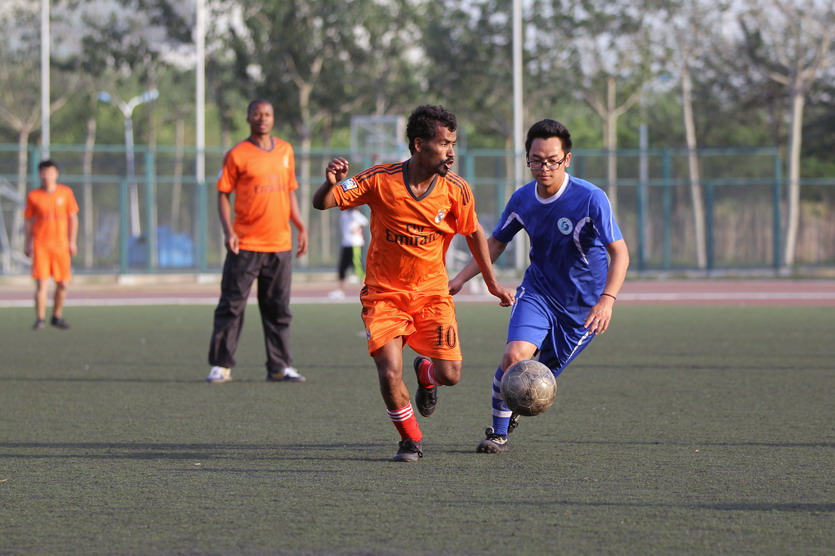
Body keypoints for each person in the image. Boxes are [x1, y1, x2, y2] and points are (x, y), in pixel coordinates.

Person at [313, 104, 514, 462]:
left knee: (450, 375)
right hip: (384, 296)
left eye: (453, 144)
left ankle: (426, 374)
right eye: (444, 143)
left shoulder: (456, 189)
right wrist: (330, 181)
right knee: (389, 372)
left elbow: (474, 233)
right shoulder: (380, 178)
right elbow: (324, 202)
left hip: (432, 295)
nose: (451, 152)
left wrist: (491, 282)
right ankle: (410, 440)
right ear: (420, 144)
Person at [449, 119, 630, 453]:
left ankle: (514, 409)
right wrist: (459, 279)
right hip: (538, 293)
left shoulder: (590, 198)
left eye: (552, 161)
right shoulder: (522, 200)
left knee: (539, 376)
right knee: (514, 357)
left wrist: (607, 299)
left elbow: (619, 252)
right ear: (527, 159)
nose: (544, 168)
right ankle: (498, 434)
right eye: (536, 160)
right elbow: (495, 243)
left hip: (582, 309)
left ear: (567, 159)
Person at [206, 99, 309, 384]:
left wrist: (301, 225)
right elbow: (223, 194)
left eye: (267, 114)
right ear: (248, 118)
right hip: (245, 244)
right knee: (231, 306)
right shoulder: (237, 154)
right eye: (257, 114)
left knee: (279, 308)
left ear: (273, 119)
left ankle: (279, 366)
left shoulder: (286, 151)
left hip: (280, 244)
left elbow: (289, 192)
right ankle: (221, 365)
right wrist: (229, 231)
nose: (262, 118)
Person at [23, 160, 79, 330]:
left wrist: (72, 241)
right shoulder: (34, 196)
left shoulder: (66, 193)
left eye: (50, 172)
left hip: (61, 246)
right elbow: (28, 221)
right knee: (42, 283)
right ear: (39, 174)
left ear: (56, 174)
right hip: (41, 245)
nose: (47, 176)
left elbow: (73, 218)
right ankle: (40, 318)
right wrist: (28, 243)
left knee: (63, 284)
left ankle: (56, 316)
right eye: (44, 173)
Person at [329, 207, 368, 299]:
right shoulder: (344, 214)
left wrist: (357, 229)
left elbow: (364, 222)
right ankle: (340, 291)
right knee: (342, 268)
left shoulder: (355, 214)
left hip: (355, 244)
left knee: (358, 268)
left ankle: (367, 290)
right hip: (346, 244)